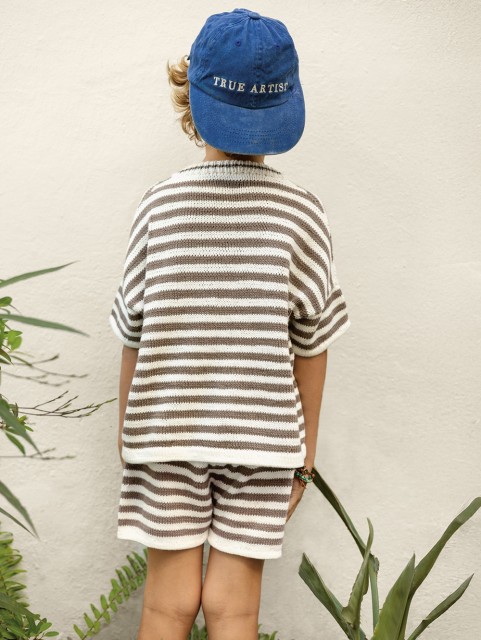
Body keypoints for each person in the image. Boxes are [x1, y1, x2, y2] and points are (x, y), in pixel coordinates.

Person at [109, 8, 351, 640]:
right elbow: (313, 345)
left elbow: (133, 331)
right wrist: (304, 457)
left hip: (165, 433)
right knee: (235, 611)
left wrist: (127, 434)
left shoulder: (159, 205)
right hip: (263, 442)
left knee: (165, 608)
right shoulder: (302, 213)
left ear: (190, 94)